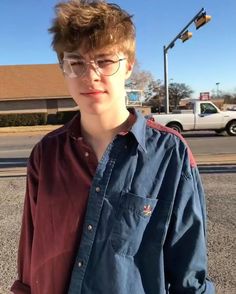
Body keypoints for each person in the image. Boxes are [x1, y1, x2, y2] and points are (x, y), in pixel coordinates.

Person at [11, 0, 215, 293]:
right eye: (76, 63)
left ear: (128, 66)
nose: (90, 75)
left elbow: (188, 271)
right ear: (63, 68)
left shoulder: (170, 154)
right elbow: (30, 257)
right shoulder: (46, 154)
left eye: (105, 61)